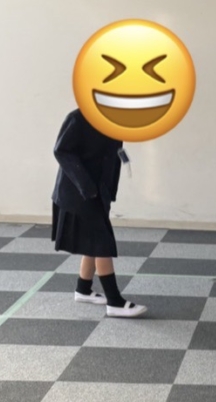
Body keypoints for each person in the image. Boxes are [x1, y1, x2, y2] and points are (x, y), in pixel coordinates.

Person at [51, 108, 147, 318]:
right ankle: (114, 301)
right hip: (79, 192)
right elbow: (61, 151)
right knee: (101, 241)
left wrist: (106, 190)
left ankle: (83, 289)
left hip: (98, 191)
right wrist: (87, 186)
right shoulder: (77, 118)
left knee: (93, 240)